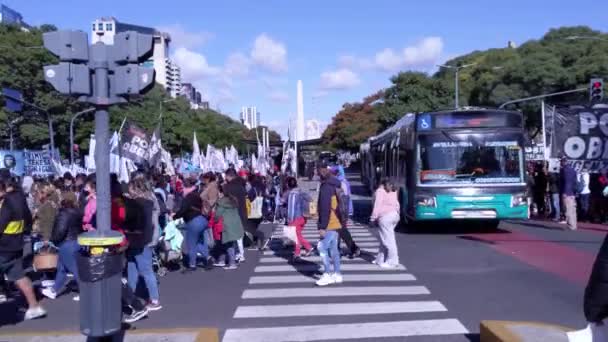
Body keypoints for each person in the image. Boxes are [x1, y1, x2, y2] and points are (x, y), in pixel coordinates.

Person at [0, 178, 46, 319]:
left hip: (3, 247)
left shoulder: (7, 203)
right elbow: (27, 220)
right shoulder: (19, 200)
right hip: (16, 245)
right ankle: (34, 307)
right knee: (19, 276)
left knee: (18, 275)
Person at [123, 178, 161, 311]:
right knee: (132, 268)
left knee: (146, 270)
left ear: (135, 188)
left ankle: (155, 300)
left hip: (140, 241)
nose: (128, 190)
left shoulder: (138, 204)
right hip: (142, 240)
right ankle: (131, 296)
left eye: (130, 188)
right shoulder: (149, 201)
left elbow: (137, 224)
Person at [41, 193, 83, 300]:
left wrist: (53, 240)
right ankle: (53, 290)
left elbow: (60, 231)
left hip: (66, 244)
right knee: (62, 268)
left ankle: (86, 292)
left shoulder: (64, 213)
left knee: (75, 269)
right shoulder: (77, 212)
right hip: (76, 241)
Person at [174, 177, 211, 272]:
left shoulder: (188, 197)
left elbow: (183, 210)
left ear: (186, 187)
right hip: (202, 220)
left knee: (191, 243)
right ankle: (208, 258)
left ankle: (192, 265)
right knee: (199, 242)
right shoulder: (197, 195)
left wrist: (175, 216)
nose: (182, 189)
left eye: (183, 187)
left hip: (193, 221)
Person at [315, 163, 344, 286]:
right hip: (336, 221)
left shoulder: (326, 187)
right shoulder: (335, 183)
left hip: (329, 223)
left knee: (321, 248)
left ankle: (327, 274)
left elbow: (325, 208)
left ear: (321, 172)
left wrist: (322, 227)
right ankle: (337, 274)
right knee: (334, 249)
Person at [370, 179, 401, 268]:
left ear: (381, 184)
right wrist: (397, 213)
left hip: (385, 217)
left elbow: (377, 205)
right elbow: (397, 204)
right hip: (394, 215)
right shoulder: (394, 190)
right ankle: (380, 259)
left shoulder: (380, 191)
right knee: (385, 238)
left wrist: (373, 218)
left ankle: (393, 261)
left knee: (388, 240)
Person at [223, 168, 248, 262]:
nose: (225, 178)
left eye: (226, 176)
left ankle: (240, 254)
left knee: (235, 235)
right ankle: (239, 253)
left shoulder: (228, 187)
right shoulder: (242, 185)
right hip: (242, 211)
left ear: (229, 176)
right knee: (239, 235)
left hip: (233, 212)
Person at [285, 177, 313, 262]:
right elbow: (311, 199)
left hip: (295, 218)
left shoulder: (292, 194)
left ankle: (299, 252)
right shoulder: (301, 191)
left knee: (295, 236)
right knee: (298, 235)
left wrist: (289, 219)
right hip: (303, 217)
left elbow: (291, 208)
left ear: (289, 184)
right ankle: (307, 249)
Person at [214, 194, 244, 270]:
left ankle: (232, 263)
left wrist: (215, 220)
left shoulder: (221, 204)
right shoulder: (233, 203)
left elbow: (217, 215)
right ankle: (222, 260)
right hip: (236, 224)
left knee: (228, 244)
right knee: (227, 243)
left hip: (226, 225)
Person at [560, 158, 577, 230]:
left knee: (568, 209)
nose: (560, 164)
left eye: (561, 162)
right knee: (572, 209)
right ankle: (574, 224)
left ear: (563, 162)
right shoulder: (573, 170)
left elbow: (567, 182)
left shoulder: (565, 170)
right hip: (572, 192)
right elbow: (575, 182)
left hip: (567, 192)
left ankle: (571, 225)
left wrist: (565, 192)